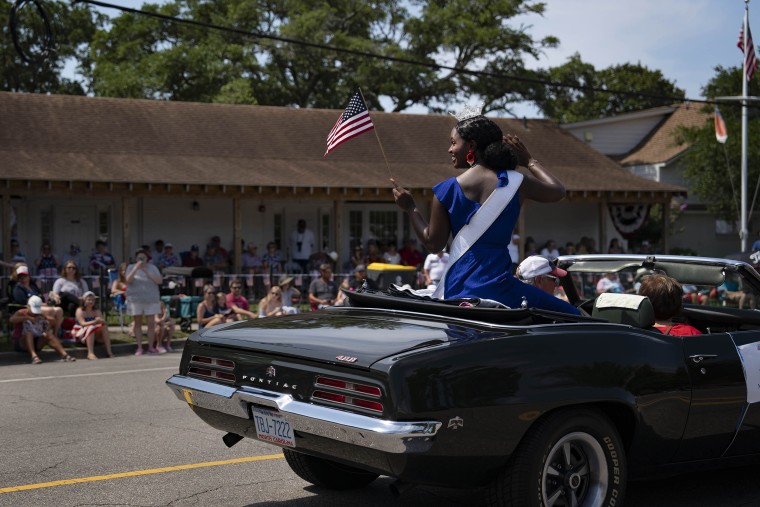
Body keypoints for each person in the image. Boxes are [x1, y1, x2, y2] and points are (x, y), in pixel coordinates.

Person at [391, 108, 579, 314]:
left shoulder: (447, 189)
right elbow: (558, 191)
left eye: (453, 143)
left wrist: (410, 208)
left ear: (471, 146)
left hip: (458, 291)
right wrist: (528, 161)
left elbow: (433, 243)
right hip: (501, 289)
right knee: (573, 315)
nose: (449, 149)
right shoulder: (518, 182)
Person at [10, 296, 75, 364]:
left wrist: (45, 318)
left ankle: (65, 355)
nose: (34, 313)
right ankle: (34, 356)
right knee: (29, 332)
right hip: (22, 342)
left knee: (48, 334)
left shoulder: (40, 314)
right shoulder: (21, 312)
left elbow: (54, 321)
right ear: (28, 306)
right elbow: (12, 319)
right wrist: (27, 318)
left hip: (37, 341)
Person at [126, 249, 164, 355]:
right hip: (136, 300)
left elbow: (159, 281)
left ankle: (151, 346)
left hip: (151, 299)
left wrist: (146, 271)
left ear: (147, 258)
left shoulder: (153, 268)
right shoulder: (130, 267)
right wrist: (136, 268)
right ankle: (139, 347)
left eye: (143, 257)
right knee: (138, 323)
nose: (141, 259)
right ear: (136, 258)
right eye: (139, 257)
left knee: (151, 323)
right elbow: (128, 280)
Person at [11, 263, 64, 337]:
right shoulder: (18, 288)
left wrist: (49, 300)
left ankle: (55, 335)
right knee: (50, 310)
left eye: (25, 275)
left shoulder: (33, 286)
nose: (23, 278)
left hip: (41, 305)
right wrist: (42, 304)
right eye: (20, 276)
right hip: (29, 308)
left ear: (28, 276)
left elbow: (41, 297)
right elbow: (23, 302)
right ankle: (45, 333)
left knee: (59, 310)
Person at [73, 291, 113, 360]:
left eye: (93, 300)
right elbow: (82, 324)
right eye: (89, 300)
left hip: (93, 333)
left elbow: (101, 321)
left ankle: (109, 352)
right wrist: (94, 322)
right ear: (84, 300)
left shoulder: (96, 311)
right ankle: (90, 353)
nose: (91, 302)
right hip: (81, 332)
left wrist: (101, 321)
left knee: (103, 326)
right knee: (90, 327)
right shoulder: (80, 310)